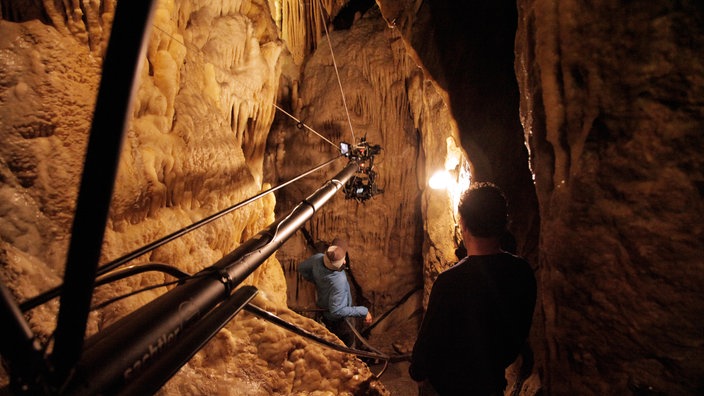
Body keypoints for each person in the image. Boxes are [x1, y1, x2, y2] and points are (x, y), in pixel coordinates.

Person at [409, 182, 537, 395]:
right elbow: (518, 334)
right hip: (491, 383)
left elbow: (425, 349)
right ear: (504, 223)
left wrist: (418, 372)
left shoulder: (450, 282)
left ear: (463, 224)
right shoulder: (522, 272)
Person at [298, 237, 373, 347]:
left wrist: (316, 280)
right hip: (340, 322)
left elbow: (302, 268)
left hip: (323, 309)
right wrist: (363, 311)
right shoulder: (338, 281)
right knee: (346, 347)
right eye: (343, 260)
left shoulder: (317, 259)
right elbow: (336, 311)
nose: (345, 261)